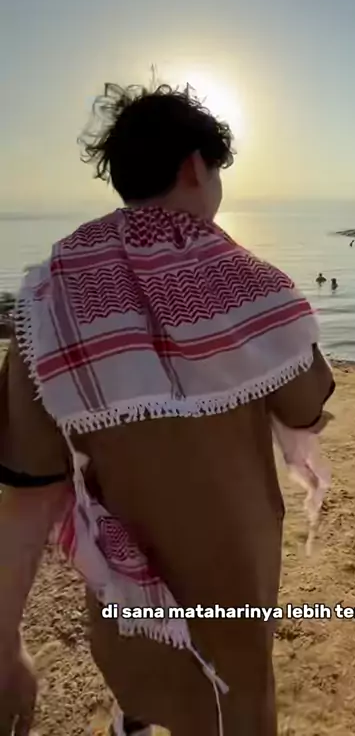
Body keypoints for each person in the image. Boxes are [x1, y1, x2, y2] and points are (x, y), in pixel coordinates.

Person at [0, 81, 335, 736]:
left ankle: (135, 719)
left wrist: (6, 646)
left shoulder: (47, 300)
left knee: (144, 678)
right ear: (194, 168)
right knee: (234, 702)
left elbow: (29, 500)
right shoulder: (252, 285)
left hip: (125, 601)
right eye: (217, 174)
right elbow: (306, 410)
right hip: (234, 596)